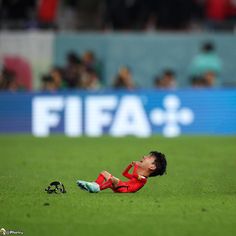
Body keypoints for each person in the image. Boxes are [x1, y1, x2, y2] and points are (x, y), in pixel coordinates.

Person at [77, 151, 167, 193]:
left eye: (149, 157)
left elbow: (135, 175)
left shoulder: (143, 179)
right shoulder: (137, 177)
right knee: (104, 173)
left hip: (125, 189)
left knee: (112, 179)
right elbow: (124, 174)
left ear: (152, 166)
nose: (144, 156)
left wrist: (135, 165)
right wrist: (130, 166)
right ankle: (94, 185)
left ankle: (98, 188)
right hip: (122, 185)